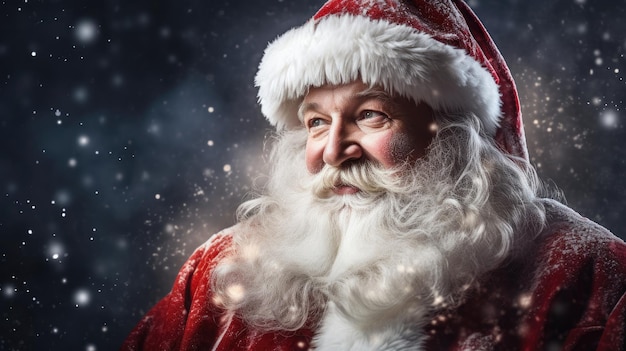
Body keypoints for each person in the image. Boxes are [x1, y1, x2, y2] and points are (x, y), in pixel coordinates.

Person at [121, 0, 626, 350]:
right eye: (316, 122)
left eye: (371, 115)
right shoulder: (221, 272)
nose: (335, 151)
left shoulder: (585, 271)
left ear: (456, 136)